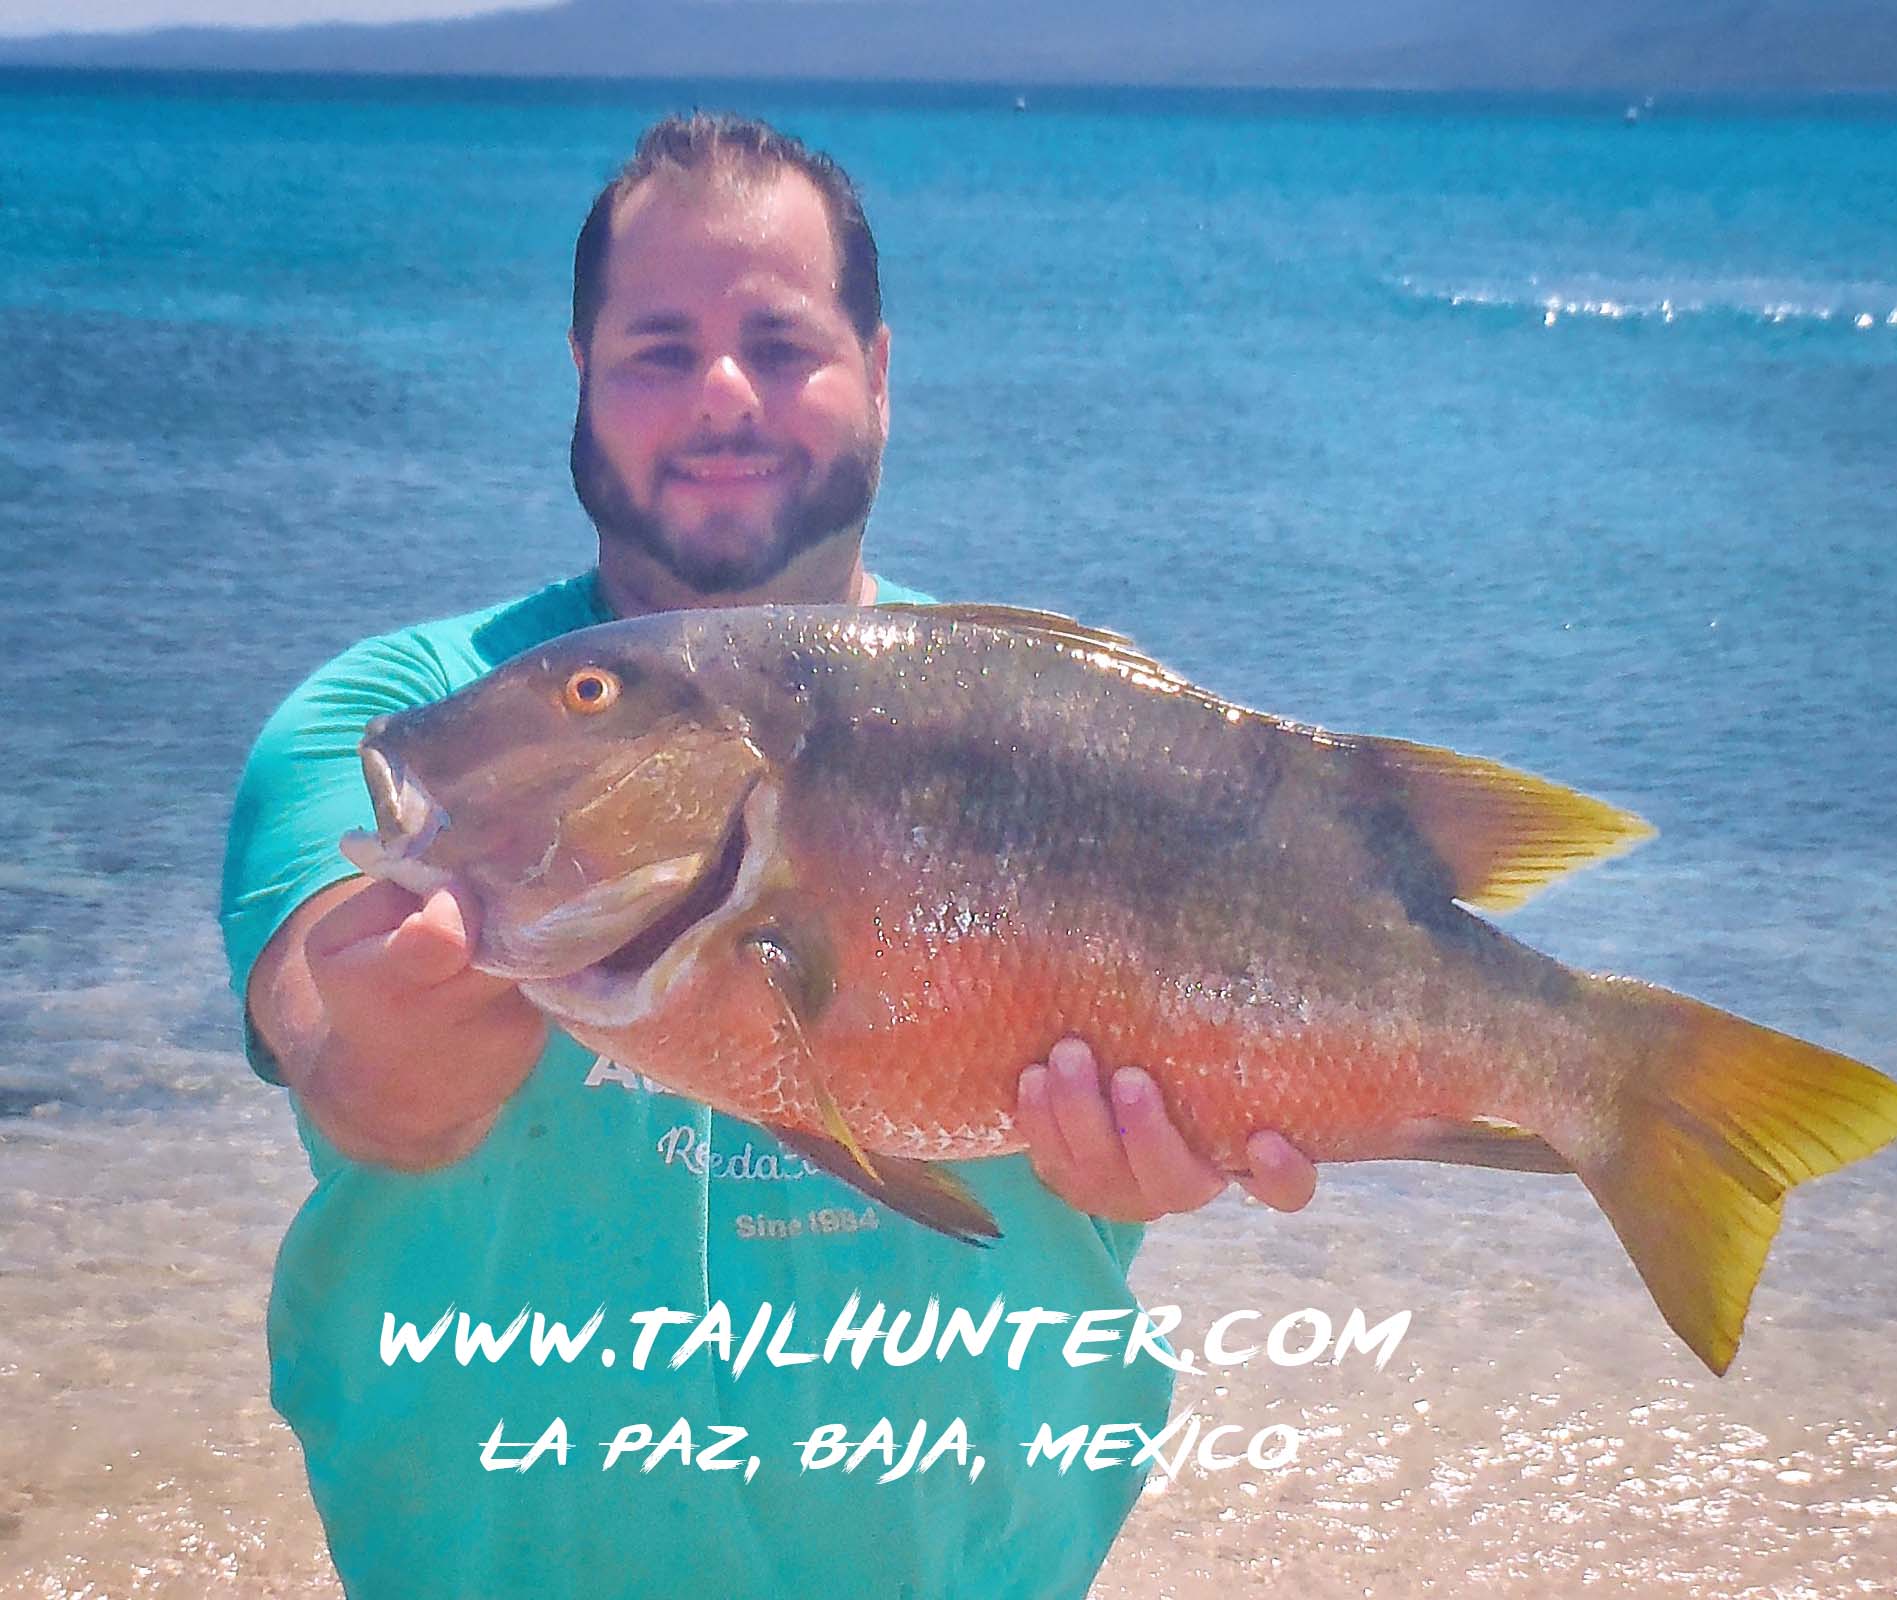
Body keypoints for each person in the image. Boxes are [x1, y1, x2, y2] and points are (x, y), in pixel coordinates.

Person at [221, 112, 1316, 1598]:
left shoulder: (1053, 730)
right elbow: (358, 1065)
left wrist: (1191, 1136)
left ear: (880, 371)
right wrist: (386, 1037)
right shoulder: (402, 718)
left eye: (783, 346)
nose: (722, 395)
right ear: (582, 377)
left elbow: (1269, 984)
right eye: (659, 351)